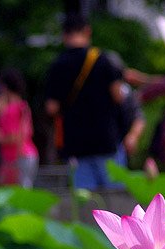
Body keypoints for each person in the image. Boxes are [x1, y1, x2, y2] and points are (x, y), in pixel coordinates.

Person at [44, 13, 126, 190]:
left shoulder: (57, 65)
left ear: (64, 35)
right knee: (118, 201)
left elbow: (51, 107)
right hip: (106, 139)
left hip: (75, 143)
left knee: (85, 204)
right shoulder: (103, 60)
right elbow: (118, 96)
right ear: (87, 31)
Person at [0, 69, 38, 188]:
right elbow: (24, 133)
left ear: (4, 87)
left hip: (16, 158)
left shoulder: (11, 110)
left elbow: (12, 138)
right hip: (29, 155)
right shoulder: (23, 106)